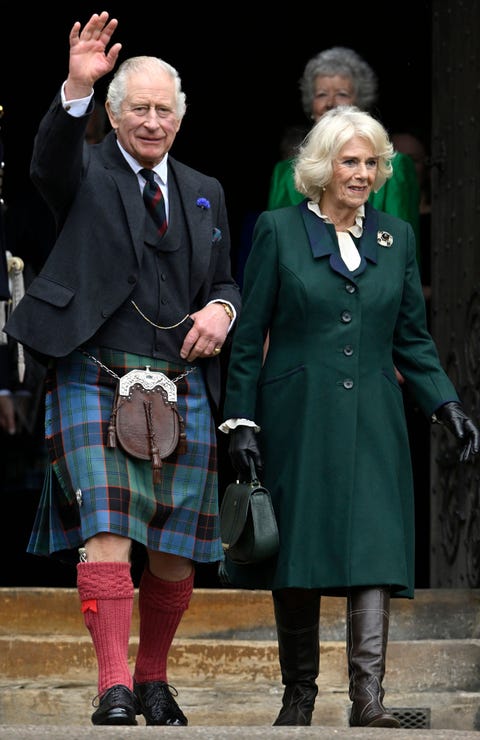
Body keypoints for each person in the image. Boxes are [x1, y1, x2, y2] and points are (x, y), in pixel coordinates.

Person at [4, 10, 240, 727]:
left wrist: (224, 311)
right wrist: (74, 88)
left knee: (176, 544)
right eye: (136, 107)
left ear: (180, 117)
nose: (151, 120)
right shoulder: (86, 172)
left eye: (163, 109)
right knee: (108, 524)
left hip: (181, 380)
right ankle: (112, 686)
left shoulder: (205, 190)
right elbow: (47, 162)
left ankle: (154, 681)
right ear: (113, 114)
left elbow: (225, 279)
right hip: (95, 366)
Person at [219, 106, 479, 728]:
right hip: (296, 415)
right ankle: (298, 696)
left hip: (374, 416)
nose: (363, 173)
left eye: (372, 162)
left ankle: (369, 700)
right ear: (321, 168)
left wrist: (446, 403)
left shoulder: (396, 238)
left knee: (376, 545)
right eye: (350, 161)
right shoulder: (279, 231)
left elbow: (411, 340)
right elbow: (250, 335)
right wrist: (241, 422)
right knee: (298, 551)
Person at [267, 47, 420, 245]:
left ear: (361, 103)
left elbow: (401, 247)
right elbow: (277, 244)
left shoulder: (396, 166)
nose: (330, 103)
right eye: (321, 94)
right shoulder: (285, 171)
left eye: (342, 94)